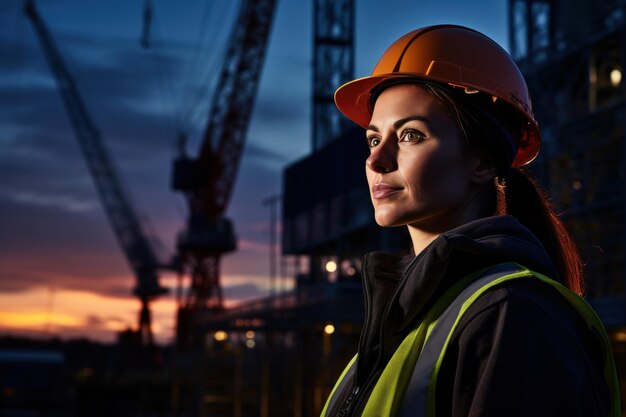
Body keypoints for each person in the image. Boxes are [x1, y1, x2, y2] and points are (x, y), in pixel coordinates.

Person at [320, 25, 621, 417]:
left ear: (480, 161)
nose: (377, 160)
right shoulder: (404, 326)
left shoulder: (513, 315)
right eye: (374, 139)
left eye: (410, 135)